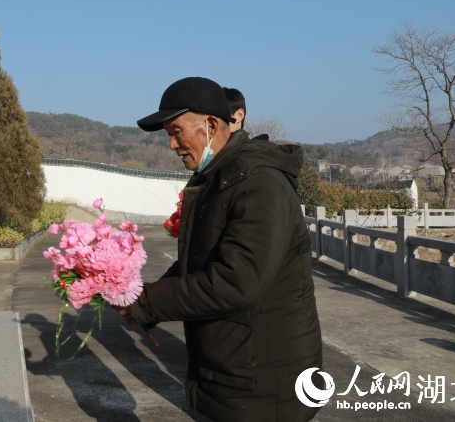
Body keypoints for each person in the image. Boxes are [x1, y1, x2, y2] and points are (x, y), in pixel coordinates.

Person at [119, 77, 323, 422]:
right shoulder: (218, 178)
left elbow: (236, 281)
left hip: (265, 379)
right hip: (234, 366)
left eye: (177, 131)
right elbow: (196, 262)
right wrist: (135, 295)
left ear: (211, 125)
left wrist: (147, 302)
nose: (171, 144)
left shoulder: (258, 185)